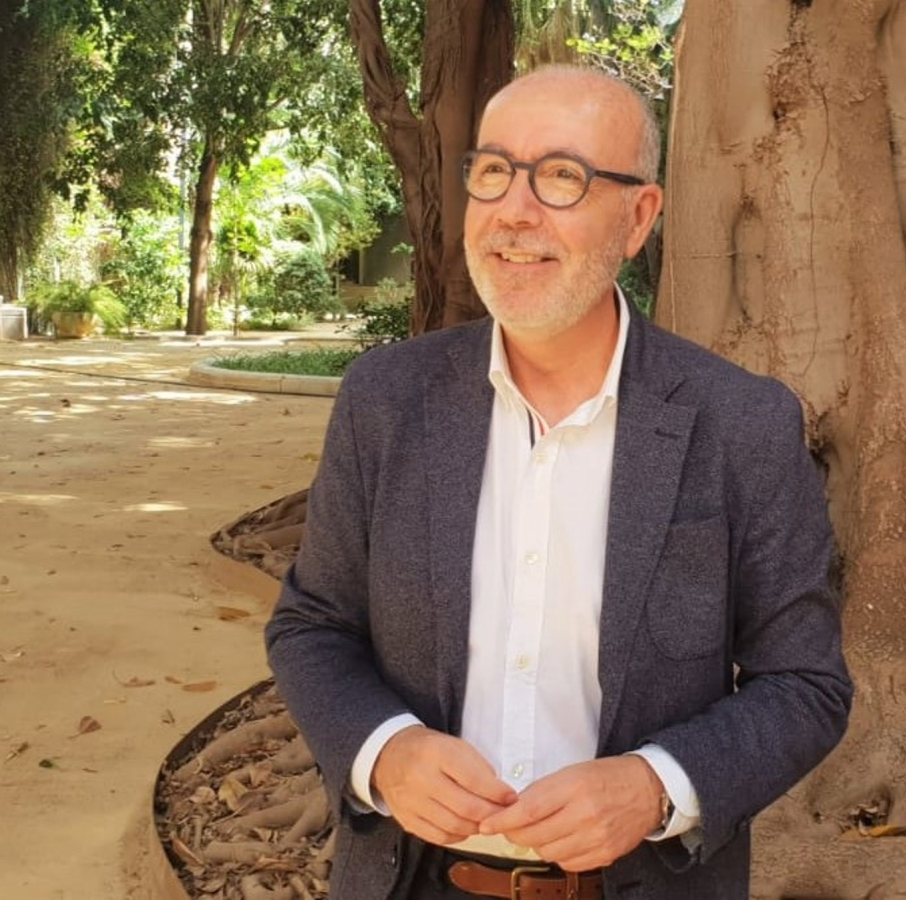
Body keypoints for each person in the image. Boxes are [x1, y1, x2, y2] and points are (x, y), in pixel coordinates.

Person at [265, 65, 852, 900]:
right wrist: (384, 749)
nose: (514, 210)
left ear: (639, 217)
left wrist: (658, 785)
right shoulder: (386, 401)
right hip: (412, 879)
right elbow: (312, 624)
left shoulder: (740, 424)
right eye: (493, 171)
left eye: (562, 177)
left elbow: (805, 684)